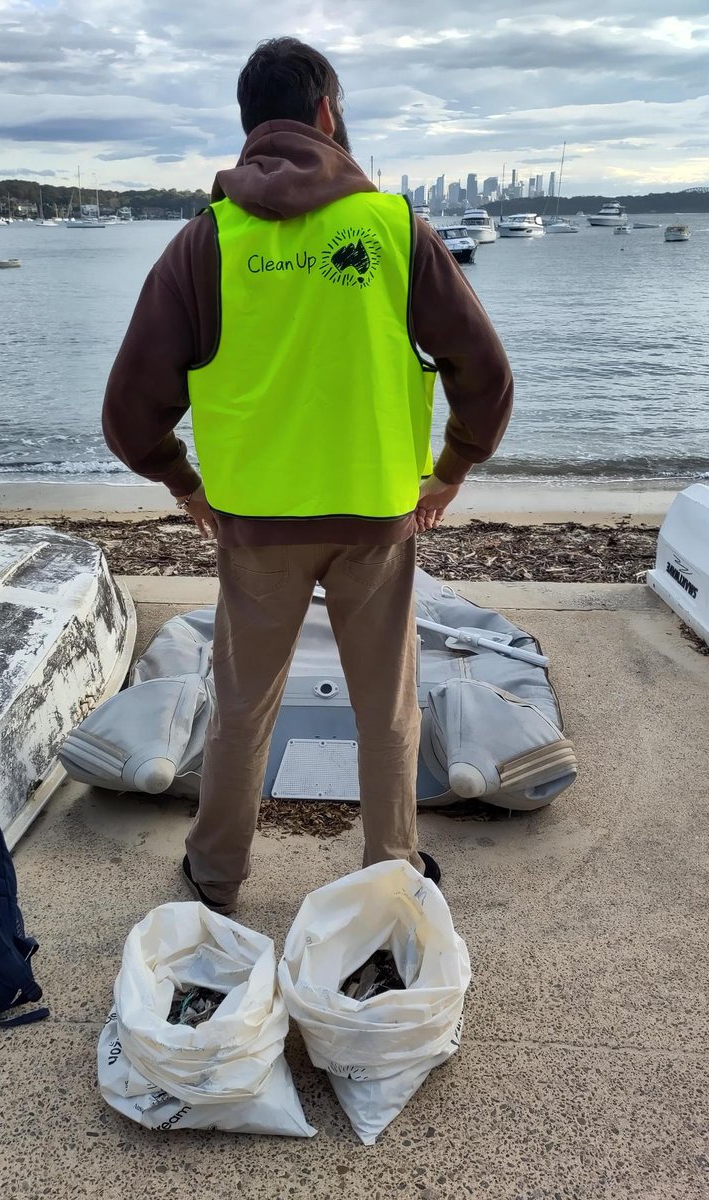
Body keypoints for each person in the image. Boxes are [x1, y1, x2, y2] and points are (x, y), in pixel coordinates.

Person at [102, 37, 513, 913]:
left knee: (244, 709)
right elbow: (485, 372)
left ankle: (214, 881)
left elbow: (130, 413)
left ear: (250, 126)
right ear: (328, 114)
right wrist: (450, 469)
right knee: (387, 708)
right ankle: (392, 872)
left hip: (254, 524)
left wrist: (183, 483)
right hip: (374, 516)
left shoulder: (206, 241)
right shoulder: (397, 227)